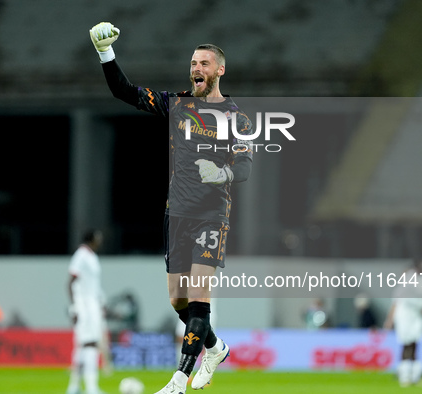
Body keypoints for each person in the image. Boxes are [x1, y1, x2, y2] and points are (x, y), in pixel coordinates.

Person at [89, 22, 254, 393]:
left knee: (198, 297)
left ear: (220, 70)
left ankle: (178, 380)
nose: (196, 69)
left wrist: (220, 172)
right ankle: (215, 347)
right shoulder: (178, 105)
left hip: (212, 215)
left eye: (205, 63)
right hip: (175, 213)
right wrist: (105, 53)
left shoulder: (237, 119)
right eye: (194, 63)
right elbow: (124, 91)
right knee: (179, 300)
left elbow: (243, 168)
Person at [383, 259, 422, 386]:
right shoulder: (414, 281)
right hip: (407, 318)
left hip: (412, 318)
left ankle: (412, 376)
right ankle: (405, 376)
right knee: (408, 345)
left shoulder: (414, 282)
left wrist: (390, 320)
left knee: (413, 345)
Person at [66, 229, 106, 394]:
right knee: (89, 343)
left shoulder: (91, 256)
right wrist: (74, 307)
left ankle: (74, 386)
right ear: (92, 239)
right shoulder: (81, 255)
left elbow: (93, 284)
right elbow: (70, 282)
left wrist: (102, 302)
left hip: (92, 304)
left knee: (85, 345)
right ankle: (91, 388)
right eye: (98, 237)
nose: (101, 240)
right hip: (84, 305)